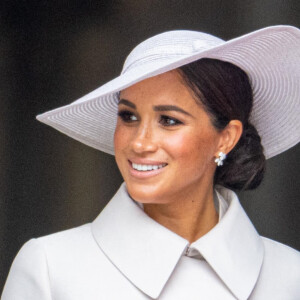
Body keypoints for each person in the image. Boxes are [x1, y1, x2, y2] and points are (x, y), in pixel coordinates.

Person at [2, 25, 300, 299]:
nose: (140, 142)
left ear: (226, 138)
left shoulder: (288, 276)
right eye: (128, 116)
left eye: (168, 120)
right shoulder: (50, 268)